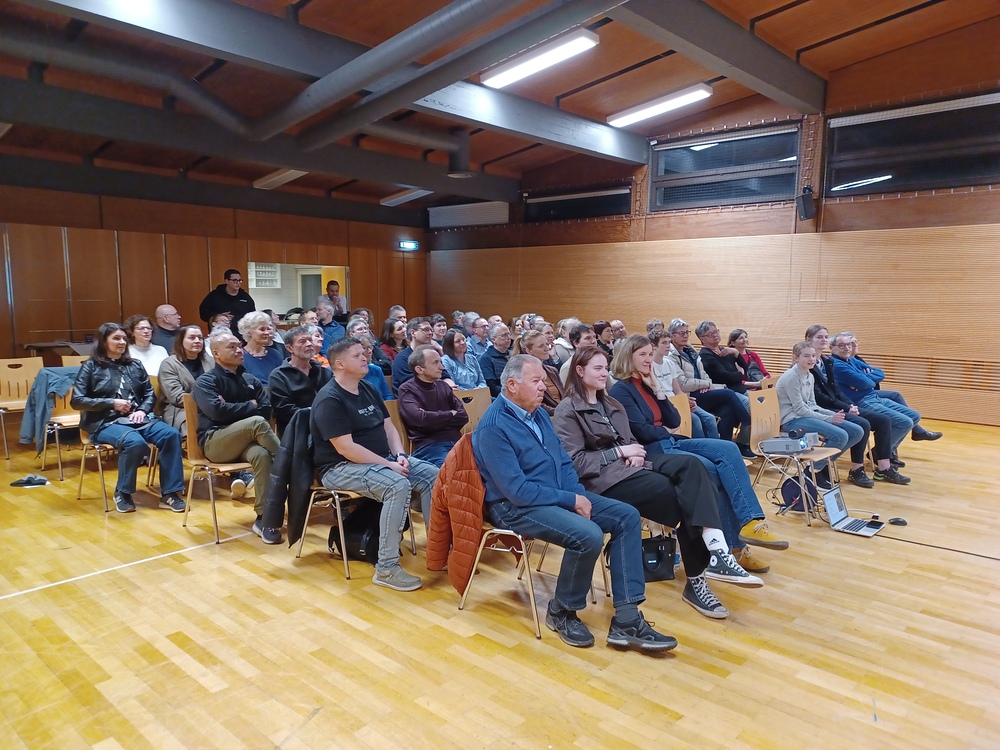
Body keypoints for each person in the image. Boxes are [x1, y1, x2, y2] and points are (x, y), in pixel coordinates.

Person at [472, 355, 677, 651]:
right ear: (512, 385)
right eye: (536, 381)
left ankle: (627, 618)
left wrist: (578, 495)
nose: (544, 387)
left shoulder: (537, 414)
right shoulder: (493, 427)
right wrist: (571, 499)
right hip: (513, 507)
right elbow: (517, 491)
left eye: (544, 380)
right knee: (587, 534)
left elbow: (565, 463)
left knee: (627, 516)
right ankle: (561, 611)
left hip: (551, 495)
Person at [553, 348, 761, 619]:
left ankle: (718, 555)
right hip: (604, 481)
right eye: (597, 368)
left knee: (693, 469)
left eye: (605, 367)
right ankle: (701, 577)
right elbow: (575, 463)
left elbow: (631, 439)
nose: (605, 373)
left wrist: (635, 452)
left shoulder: (611, 404)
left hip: (634, 468)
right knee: (689, 498)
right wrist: (620, 452)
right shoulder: (568, 409)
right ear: (579, 371)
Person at [609, 335, 788, 573]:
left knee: (729, 449)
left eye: (650, 354)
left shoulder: (648, 384)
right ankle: (731, 550)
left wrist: (659, 391)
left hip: (671, 442)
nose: (649, 359)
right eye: (642, 354)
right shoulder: (621, 390)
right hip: (653, 451)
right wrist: (664, 430)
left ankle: (752, 521)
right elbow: (642, 431)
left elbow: (674, 420)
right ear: (627, 357)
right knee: (714, 471)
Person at [312, 336, 438, 592]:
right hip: (339, 468)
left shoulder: (367, 388)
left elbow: (388, 427)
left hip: (381, 460)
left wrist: (400, 454)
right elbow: (346, 448)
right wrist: (388, 465)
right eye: (357, 355)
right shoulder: (330, 399)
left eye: (365, 352)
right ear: (339, 364)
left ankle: (438, 549)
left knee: (432, 474)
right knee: (397, 485)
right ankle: (386, 568)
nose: (365, 357)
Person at [72, 322, 186, 514]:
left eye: (124, 338)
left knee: (171, 435)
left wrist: (142, 410)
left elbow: (149, 393)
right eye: (116, 338)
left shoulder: (134, 365)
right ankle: (123, 492)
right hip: (104, 422)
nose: (122, 342)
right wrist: (111, 403)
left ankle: (170, 493)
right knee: (134, 442)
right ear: (103, 341)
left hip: (137, 418)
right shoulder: (90, 367)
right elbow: (77, 400)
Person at [193, 331, 280, 535]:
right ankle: (289, 465)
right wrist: (251, 405)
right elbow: (217, 412)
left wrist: (232, 408)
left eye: (239, 346)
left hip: (245, 442)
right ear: (216, 353)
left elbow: (266, 410)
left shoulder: (250, 379)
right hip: (215, 442)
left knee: (261, 455)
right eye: (231, 347)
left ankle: (264, 518)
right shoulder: (206, 381)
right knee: (256, 422)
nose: (239, 350)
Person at [805, 325, 902, 486]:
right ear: (808, 339)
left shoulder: (826, 361)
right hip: (820, 408)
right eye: (819, 337)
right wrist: (846, 407)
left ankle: (883, 468)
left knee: (883, 420)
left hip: (834, 405)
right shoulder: (807, 362)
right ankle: (846, 468)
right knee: (861, 425)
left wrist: (849, 404)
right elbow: (818, 397)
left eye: (825, 337)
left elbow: (835, 389)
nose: (823, 340)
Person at [829, 332, 934, 471]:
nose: (847, 348)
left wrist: (863, 379)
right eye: (842, 345)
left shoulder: (851, 360)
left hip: (873, 396)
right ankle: (882, 453)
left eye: (849, 345)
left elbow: (880, 373)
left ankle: (880, 451)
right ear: (832, 347)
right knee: (905, 422)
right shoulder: (837, 365)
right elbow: (865, 382)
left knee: (914, 415)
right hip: (861, 401)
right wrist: (864, 378)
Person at [775, 342, 866, 488]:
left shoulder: (809, 375)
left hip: (805, 415)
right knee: (840, 436)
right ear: (796, 358)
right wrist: (829, 418)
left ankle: (821, 465)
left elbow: (812, 404)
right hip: (792, 419)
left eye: (813, 356)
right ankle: (813, 471)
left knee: (857, 431)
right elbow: (800, 410)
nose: (811, 359)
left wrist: (832, 414)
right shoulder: (792, 377)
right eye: (806, 356)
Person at [667, 318, 754, 458]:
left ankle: (725, 449)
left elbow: (705, 374)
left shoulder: (691, 351)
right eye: (681, 333)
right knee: (729, 394)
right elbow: (683, 383)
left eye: (687, 332)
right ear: (672, 336)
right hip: (689, 395)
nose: (685, 336)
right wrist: (706, 384)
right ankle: (747, 422)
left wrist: (707, 383)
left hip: (704, 391)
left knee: (728, 410)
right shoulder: (672, 356)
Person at [852, 338, 943, 442]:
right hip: (858, 395)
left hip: (868, 391)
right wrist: (867, 379)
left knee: (896, 397)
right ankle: (916, 431)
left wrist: (867, 379)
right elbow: (861, 380)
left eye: (856, 342)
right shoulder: (843, 363)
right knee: (895, 399)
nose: (855, 345)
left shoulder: (858, 359)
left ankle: (915, 431)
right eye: (851, 343)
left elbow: (879, 374)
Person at [398, 345, 468, 467]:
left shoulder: (443, 386)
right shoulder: (407, 389)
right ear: (420, 369)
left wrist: (433, 420)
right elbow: (420, 419)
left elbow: (463, 417)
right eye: (435, 363)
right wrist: (450, 413)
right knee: (453, 468)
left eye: (440, 362)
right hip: (429, 447)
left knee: (483, 464)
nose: (442, 367)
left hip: (456, 441)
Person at [649, 330, 719, 440]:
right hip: (665, 404)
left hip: (677, 400)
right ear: (653, 346)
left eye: (669, 342)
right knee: (695, 420)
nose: (668, 346)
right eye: (664, 343)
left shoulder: (669, 363)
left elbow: (677, 390)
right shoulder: (649, 366)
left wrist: (686, 402)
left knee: (709, 418)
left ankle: (715, 447)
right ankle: (699, 448)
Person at [267, 325, 332, 438]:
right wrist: (317, 417)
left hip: (329, 427)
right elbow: (284, 410)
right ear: (289, 348)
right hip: (297, 432)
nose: (309, 344)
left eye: (310, 340)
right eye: (302, 341)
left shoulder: (323, 372)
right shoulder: (279, 376)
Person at [156, 324, 214, 438]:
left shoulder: (211, 361)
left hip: (212, 405)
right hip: (180, 409)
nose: (197, 341)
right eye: (192, 338)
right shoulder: (169, 364)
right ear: (180, 340)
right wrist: (209, 402)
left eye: (200, 338)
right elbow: (177, 397)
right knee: (196, 421)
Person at [513, 330, 564, 415]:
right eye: (541, 346)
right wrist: (562, 412)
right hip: (546, 416)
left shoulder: (552, 371)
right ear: (529, 350)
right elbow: (534, 404)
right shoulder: (524, 374)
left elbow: (564, 395)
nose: (546, 348)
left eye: (547, 344)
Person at [199, 268, 255, 338]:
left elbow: (252, 316)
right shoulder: (215, 295)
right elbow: (203, 314)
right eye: (234, 280)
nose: (238, 283)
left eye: (240, 280)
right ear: (227, 281)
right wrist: (219, 316)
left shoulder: (245, 297)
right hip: (220, 334)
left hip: (241, 334)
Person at [238, 311, 285, 384]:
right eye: (262, 329)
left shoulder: (275, 354)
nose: (267, 333)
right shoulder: (239, 356)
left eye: (268, 329)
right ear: (248, 332)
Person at [478, 323, 512, 397]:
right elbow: (491, 385)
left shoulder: (512, 355)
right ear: (494, 339)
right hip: (501, 396)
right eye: (504, 335)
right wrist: (510, 393)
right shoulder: (486, 358)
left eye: (509, 334)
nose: (509, 338)